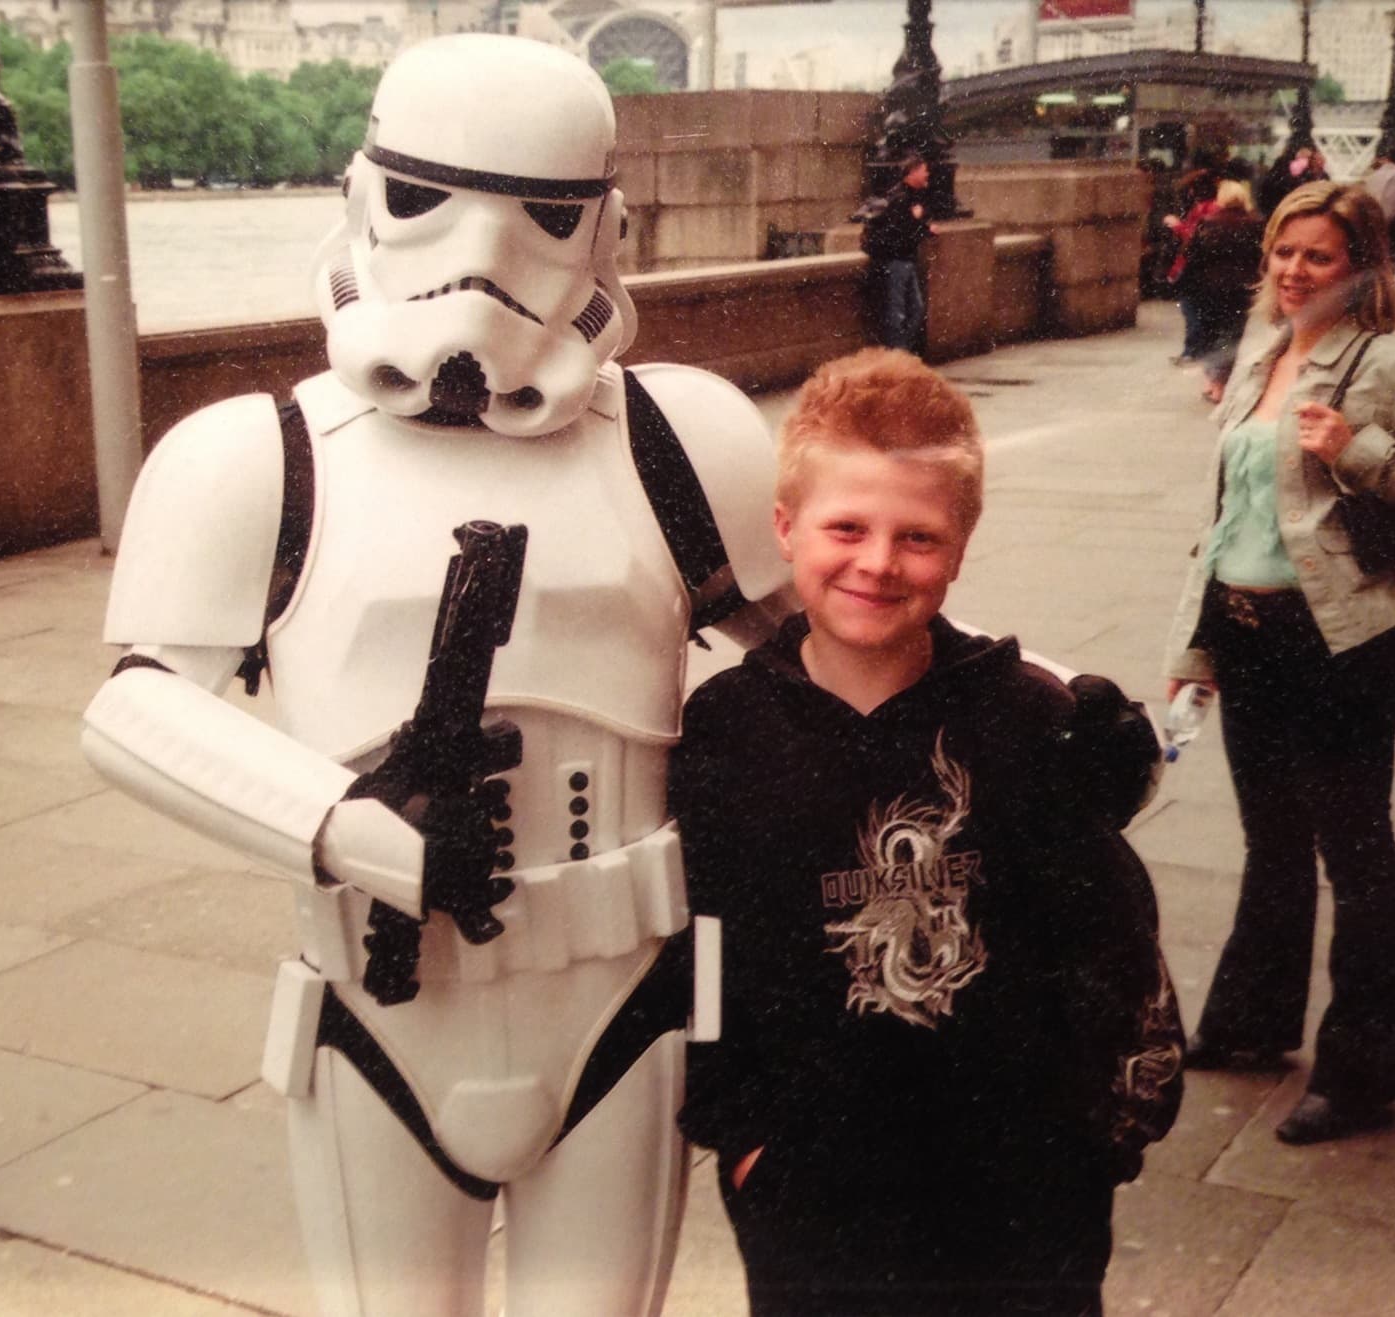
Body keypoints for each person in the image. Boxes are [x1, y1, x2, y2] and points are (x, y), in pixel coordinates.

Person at [81, 34, 802, 1317]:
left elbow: (829, 651)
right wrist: (352, 831)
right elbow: (138, 710)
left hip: (622, 998)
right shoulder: (258, 457)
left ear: (602, 226)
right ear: (366, 196)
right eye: (428, 200)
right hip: (381, 1001)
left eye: (539, 216)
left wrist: (1031, 700)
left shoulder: (678, 440)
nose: (484, 260)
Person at [675, 348, 1184, 1317]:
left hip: (1022, 1198)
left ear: (960, 547)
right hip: (808, 1194)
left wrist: (1101, 1141)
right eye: (846, 527)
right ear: (785, 529)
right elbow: (705, 937)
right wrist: (732, 1128)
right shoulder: (728, 728)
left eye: (917, 537)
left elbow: (1114, 937)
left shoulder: (1030, 722)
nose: (876, 562)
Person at [1163, 182, 1395, 1145]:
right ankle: (1252, 1023)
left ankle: (1359, 1070)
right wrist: (1196, 645)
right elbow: (1225, 520)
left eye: (1318, 256)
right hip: (1246, 620)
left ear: (1363, 269)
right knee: (1269, 840)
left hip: (1339, 638)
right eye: (1282, 251)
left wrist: (1362, 448)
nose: (1293, 270)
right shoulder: (1260, 354)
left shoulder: (1388, 362)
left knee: (1356, 849)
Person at [1175, 179, 1264, 404]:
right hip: (1245, 289)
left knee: (1212, 333)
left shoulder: (1209, 223)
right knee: (1235, 334)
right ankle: (1225, 380)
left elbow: (1193, 256)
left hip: (1211, 289)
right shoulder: (1257, 223)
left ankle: (1216, 384)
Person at [858, 152, 935, 354]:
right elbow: (901, 230)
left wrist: (923, 226)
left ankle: (900, 351)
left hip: (906, 261)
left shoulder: (912, 197)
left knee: (916, 310)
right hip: (896, 262)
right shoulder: (900, 198)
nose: (928, 174)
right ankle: (897, 355)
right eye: (924, 170)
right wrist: (918, 221)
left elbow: (911, 227)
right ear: (913, 172)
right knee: (897, 312)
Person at [1165, 168, 1221, 362]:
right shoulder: (1211, 207)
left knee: (1190, 307)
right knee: (1195, 307)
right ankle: (1197, 349)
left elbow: (1193, 236)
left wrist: (1177, 226)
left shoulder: (1205, 209)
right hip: (1201, 266)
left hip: (1194, 266)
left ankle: (1192, 350)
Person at [1363, 145, 1395, 258]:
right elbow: (1394, 200)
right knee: (1389, 251)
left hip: (1371, 216)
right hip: (1388, 219)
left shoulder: (1375, 174)